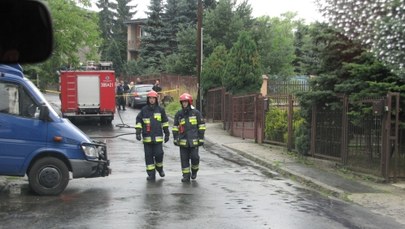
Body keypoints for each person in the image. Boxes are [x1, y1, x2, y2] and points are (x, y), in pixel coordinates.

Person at [135, 90, 170, 181]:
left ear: (156, 99)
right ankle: (151, 174)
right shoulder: (144, 110)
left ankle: (159, 168)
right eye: (150, 98)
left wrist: (167, 133)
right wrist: (138, 132)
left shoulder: (160, 110)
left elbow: (165, 122)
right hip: (147, 139)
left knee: (159, 154)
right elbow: (138, 120)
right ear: (148, 99)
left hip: (158, 138)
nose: (151, 100)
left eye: (153, 98)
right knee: (148, 156)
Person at [172, 93, 206, 182]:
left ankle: (194, 171)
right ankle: (186, 176)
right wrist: (175, 138)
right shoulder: (179, 114)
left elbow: (201, 126)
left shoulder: (196, 113)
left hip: (194, 141)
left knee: (195, 158)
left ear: (189, 102)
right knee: (184, 159)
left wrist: (201, 138)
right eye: (183, 102)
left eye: (186, 102)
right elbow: (175, 127)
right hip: (183, 142)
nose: (184, 104)